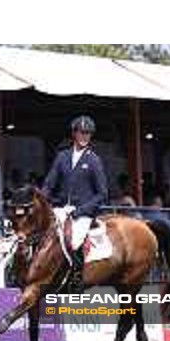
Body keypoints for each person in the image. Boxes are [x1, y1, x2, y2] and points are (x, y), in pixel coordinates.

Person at [42, 115, 109, 287]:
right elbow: (49, 183)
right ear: (74, 134)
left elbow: (102, 194)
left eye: (88, 133)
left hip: (82, 213)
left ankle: (76, 277)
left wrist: (80, 211)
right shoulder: (62, 157)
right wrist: (43, 201)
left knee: (75, 240)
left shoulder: (94, 160)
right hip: (61, 208)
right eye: (82, 133)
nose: (85, 136)